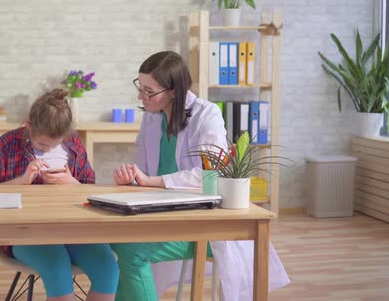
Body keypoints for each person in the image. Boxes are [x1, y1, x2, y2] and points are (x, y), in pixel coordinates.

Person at [111, 51, 289, 300]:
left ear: (173, 91)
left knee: (132, 250)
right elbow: (143, 171)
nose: (141, 96)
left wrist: (150, 181)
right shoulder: (152, 118)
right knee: (113, 241)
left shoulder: (207, 115)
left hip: (201, 223)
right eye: (140, 87)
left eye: (149, 91)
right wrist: (130, 177)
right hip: (160, 215)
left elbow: (210, 174)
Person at [0, 88, 119, 301]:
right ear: (28, 126)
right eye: (43, 144)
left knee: (108, 269)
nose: (50, 150)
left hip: (73, 229)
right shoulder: (7, 144)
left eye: (56, 144)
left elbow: (90, 190)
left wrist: (73, 183)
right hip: (23, 232)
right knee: (57, 267)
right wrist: (21, 182)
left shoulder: (73, 144)